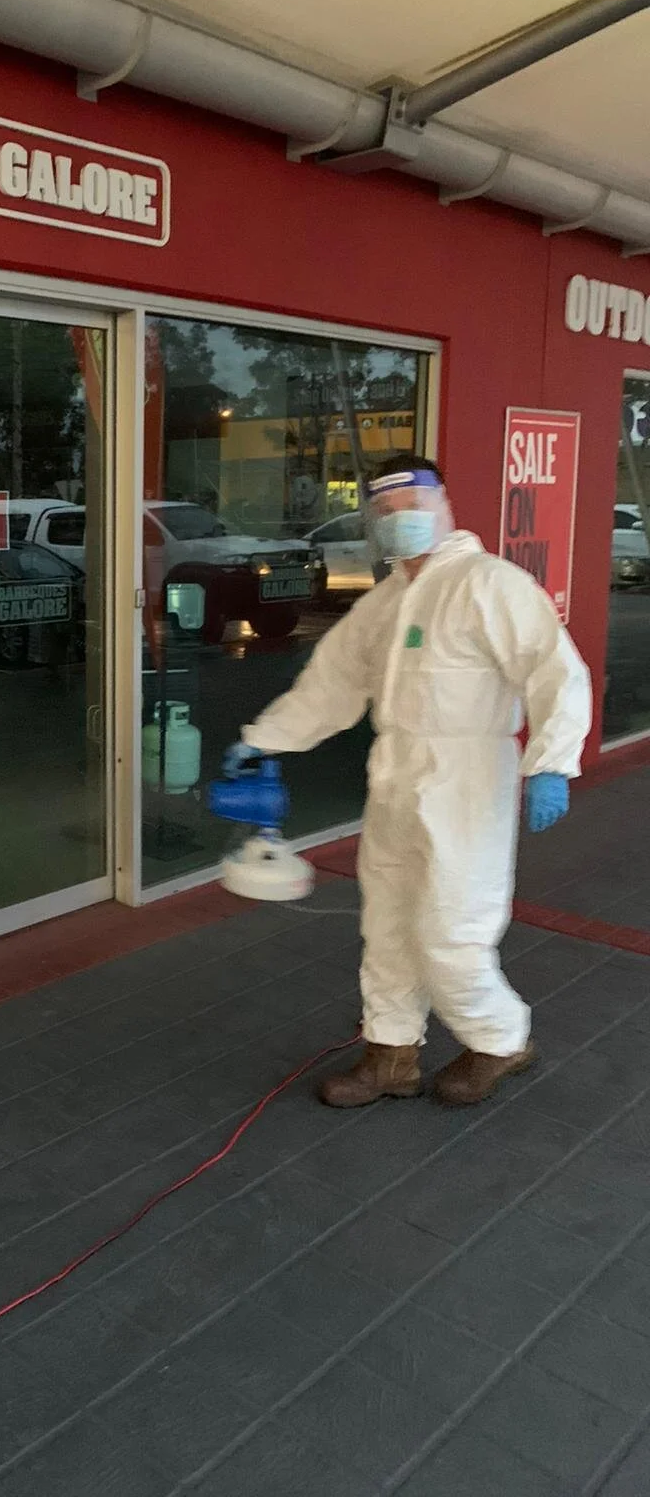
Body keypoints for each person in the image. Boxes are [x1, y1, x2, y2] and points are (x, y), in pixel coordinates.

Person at [226, 454, 592, 1107]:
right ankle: (390, 1054)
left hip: (467, 777)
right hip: (397, 773)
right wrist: (265, 739)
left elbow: (555, 672)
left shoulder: (489, 584)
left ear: (443, 505)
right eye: (386, 512)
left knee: (452, 930)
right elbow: (331, 685)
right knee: (389, 922)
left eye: (412, 507)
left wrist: (551, 762)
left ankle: (501, 1039)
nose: (400, 521)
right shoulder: (385, 603)